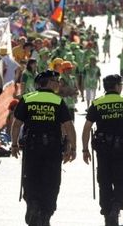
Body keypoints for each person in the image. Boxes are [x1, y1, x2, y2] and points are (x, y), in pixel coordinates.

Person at [11, 70, 77, 226]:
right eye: (56, 81)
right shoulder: (58, 101)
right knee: (51, 181)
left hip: (32, 147)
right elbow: (68, 126)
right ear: (48, 83)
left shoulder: (27, 99)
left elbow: (16, 124)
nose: (58, 84)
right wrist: (73, 148)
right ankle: (45, 213)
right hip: (52, 148)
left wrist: (14, 144)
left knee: (31, 178)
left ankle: (33, 204)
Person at [81, 74, 123, 226]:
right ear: (117, 86)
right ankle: (116, 207)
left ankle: (107, 211)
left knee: (104, 181)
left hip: (103, 149)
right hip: (121, 149)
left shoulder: (97, 103)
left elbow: (87, 128)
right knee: (121, 181)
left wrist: (85, 149)